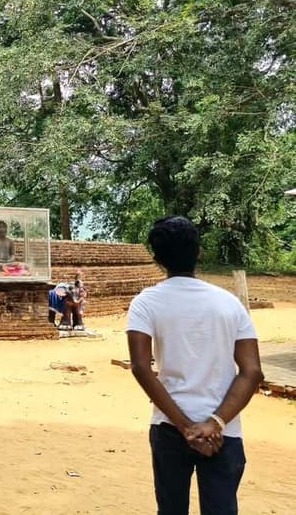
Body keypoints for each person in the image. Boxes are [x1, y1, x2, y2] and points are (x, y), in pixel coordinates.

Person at [127, 216, 263, 515]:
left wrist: (186, 427)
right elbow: (252, 371)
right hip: (224, 431)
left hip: (170, 428)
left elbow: (140, 366)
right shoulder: (229, 303)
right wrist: (214, 423)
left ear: (157, 258)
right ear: (198, 252)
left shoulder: (146, 303)